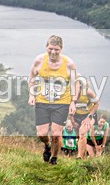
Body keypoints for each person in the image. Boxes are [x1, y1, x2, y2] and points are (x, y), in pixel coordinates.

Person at [28, 35, 78, 165]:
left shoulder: (69, 64)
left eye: (56, 49)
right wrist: (32, 95)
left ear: (61, 49)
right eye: (50, 48)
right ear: (46, 47)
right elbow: (32, 77)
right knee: (41, 134)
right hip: (42, 101)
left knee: (56, 134)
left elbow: (75, 83)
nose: (53, 52)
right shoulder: (39, 60)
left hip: (62, 103)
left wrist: (73, 102)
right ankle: (47, 146)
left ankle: (54, 158)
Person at [72, 76, 99, 159]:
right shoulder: (71, 94)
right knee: (78, 137)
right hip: (76, 116)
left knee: (82, 133)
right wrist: (72, 121)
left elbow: (97, 104)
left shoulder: (88, 92)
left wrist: (89, 117)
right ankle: (83, 156)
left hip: (89, 115)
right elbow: (69, 107)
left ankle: (79, 156)